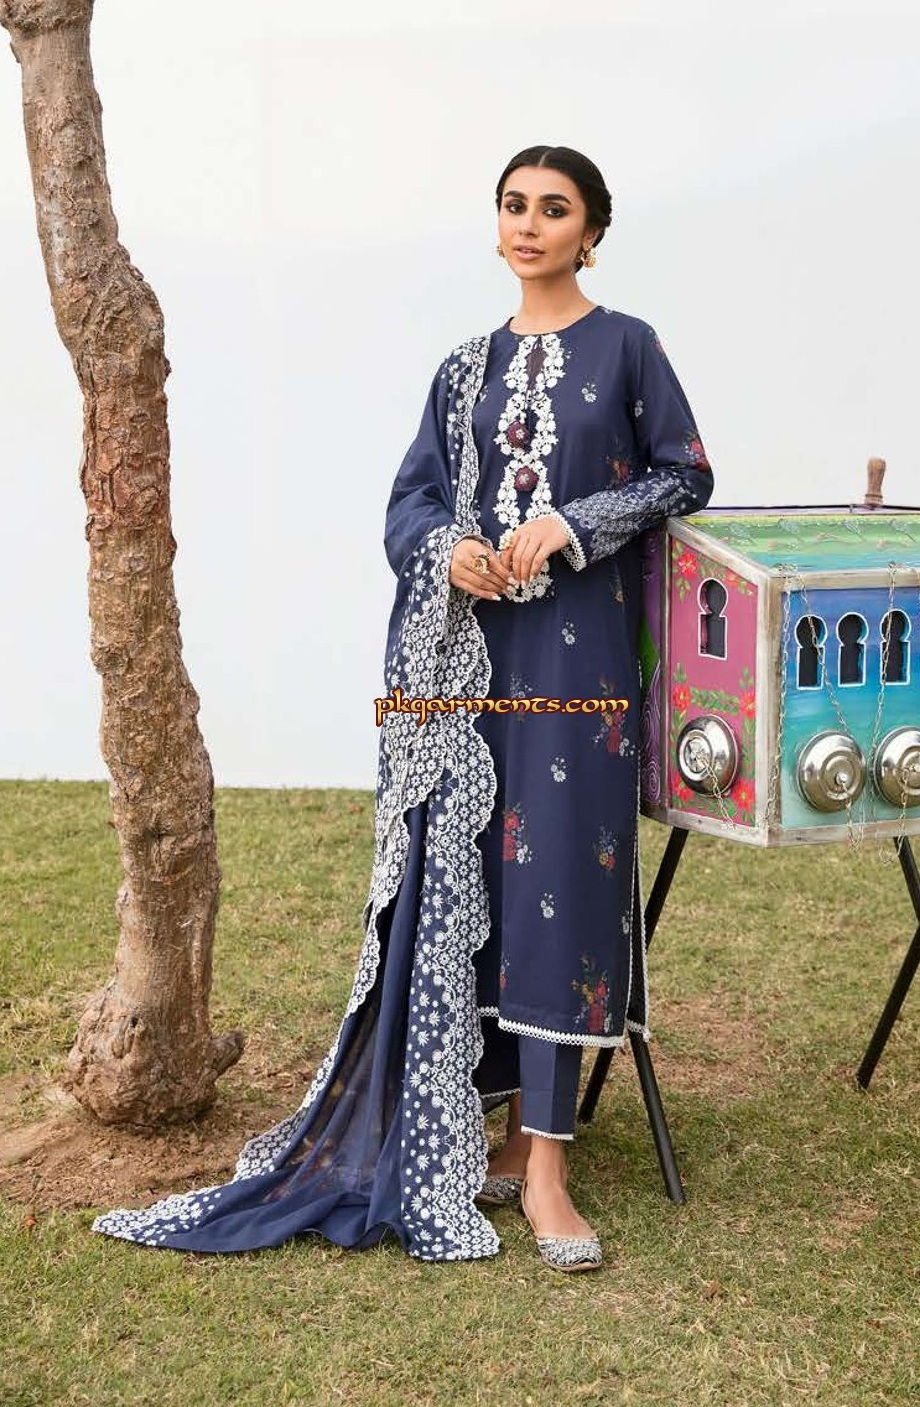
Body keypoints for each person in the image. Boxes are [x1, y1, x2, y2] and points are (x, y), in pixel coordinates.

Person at [93, 145, 713, 1273]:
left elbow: (683, 474)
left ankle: (548, 1169)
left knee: (558, 886)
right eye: (514, 205)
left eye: (554, 209)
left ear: (590, 232)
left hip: (578, 666)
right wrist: (448, 551)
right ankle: (496, 1124)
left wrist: (573, 523)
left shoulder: (628, 346)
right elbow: (411, 502)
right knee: (472, 877)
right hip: (465, 668)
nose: (528, 225)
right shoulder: (463, 369)